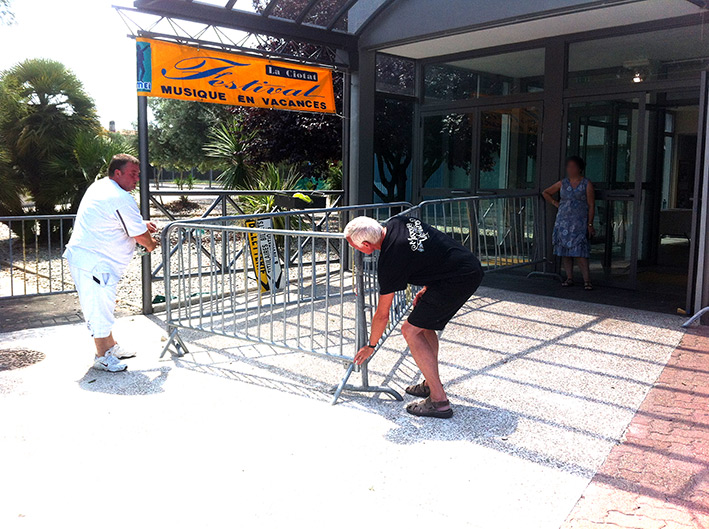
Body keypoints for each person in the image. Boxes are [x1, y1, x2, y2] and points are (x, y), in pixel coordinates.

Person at [344, 215, 483, 419]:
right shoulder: (399, 222)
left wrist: (371, 346)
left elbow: (383, 314)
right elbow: (431, 250)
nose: (356, 251)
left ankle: (439, 401)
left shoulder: (390, 260)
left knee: (409, 330)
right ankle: (429, 383)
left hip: (458, 279)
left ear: (366, 245)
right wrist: (428, 286)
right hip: (462, 267)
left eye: (354, 247)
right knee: (423, 325)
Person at [63, 154, 158, 372]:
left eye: (138, 175)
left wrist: (140, 223)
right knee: (99, 308)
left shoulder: (101, 187)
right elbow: (143, 239)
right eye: (133, 175)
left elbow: (109, 218)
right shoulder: (119, 197)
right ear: (118, 173)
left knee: (103, 305)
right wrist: (152, 244)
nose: (137, 180)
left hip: (89, 259)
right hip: (94, 263)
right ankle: (102, 357)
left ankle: (110, 347)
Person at [543, 156, 596, 290]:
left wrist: (590, 224)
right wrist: (556, 203)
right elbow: (546, 192)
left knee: (580, 252)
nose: (570, 169)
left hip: (579, 222)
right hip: (563, 222)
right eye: (568, 167)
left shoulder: (586, 184)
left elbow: (591, 205)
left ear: (579, 168)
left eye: (573, 166)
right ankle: (569, 277)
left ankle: (587, 280)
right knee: (565, 251)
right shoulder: (563, 183)